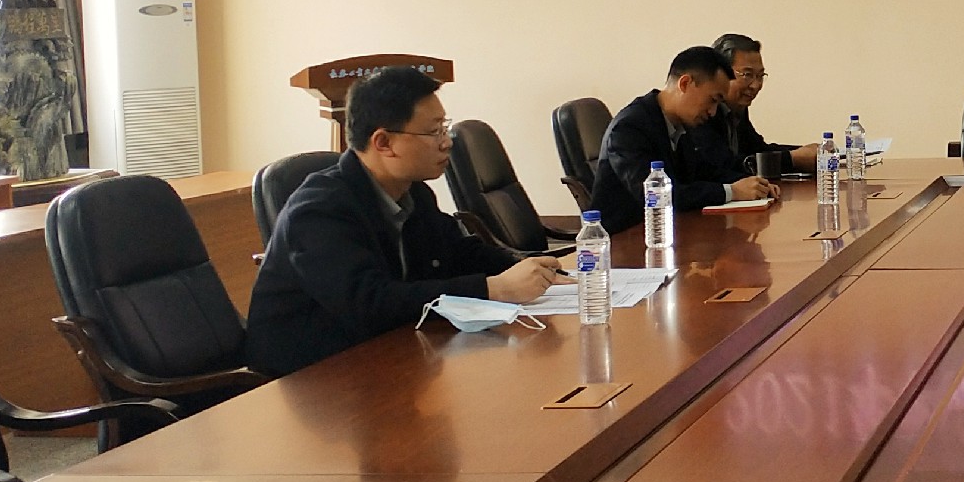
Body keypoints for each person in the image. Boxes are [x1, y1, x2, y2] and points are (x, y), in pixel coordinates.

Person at [244, 66, 565, 377]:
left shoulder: (414, 193)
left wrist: (538, 269)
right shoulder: (320, 209)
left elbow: (460, 252)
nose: (447, 142)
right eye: (433, 131)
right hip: (311, 377)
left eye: (444, 128)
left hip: (388, 354)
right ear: (383, 142)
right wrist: (494, 288)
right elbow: (369, 302)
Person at [592, 45, 779, 228]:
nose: (713, 112)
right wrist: (732, 191)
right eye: (712, 100)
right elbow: (657, 196)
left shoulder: (679, 123)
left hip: (671, 229)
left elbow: (704, 171)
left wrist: (753, 184)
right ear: (685, 84)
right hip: (627, 236)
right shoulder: (630, 127)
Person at [701, 33, 819, 175]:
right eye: (747, 75)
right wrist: (793, 159)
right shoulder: (704, 111)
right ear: (721, 74)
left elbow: (758, 150)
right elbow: (724, 165)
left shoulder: (737, 108)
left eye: (760, 76)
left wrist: (805, 152)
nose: (755, 85)